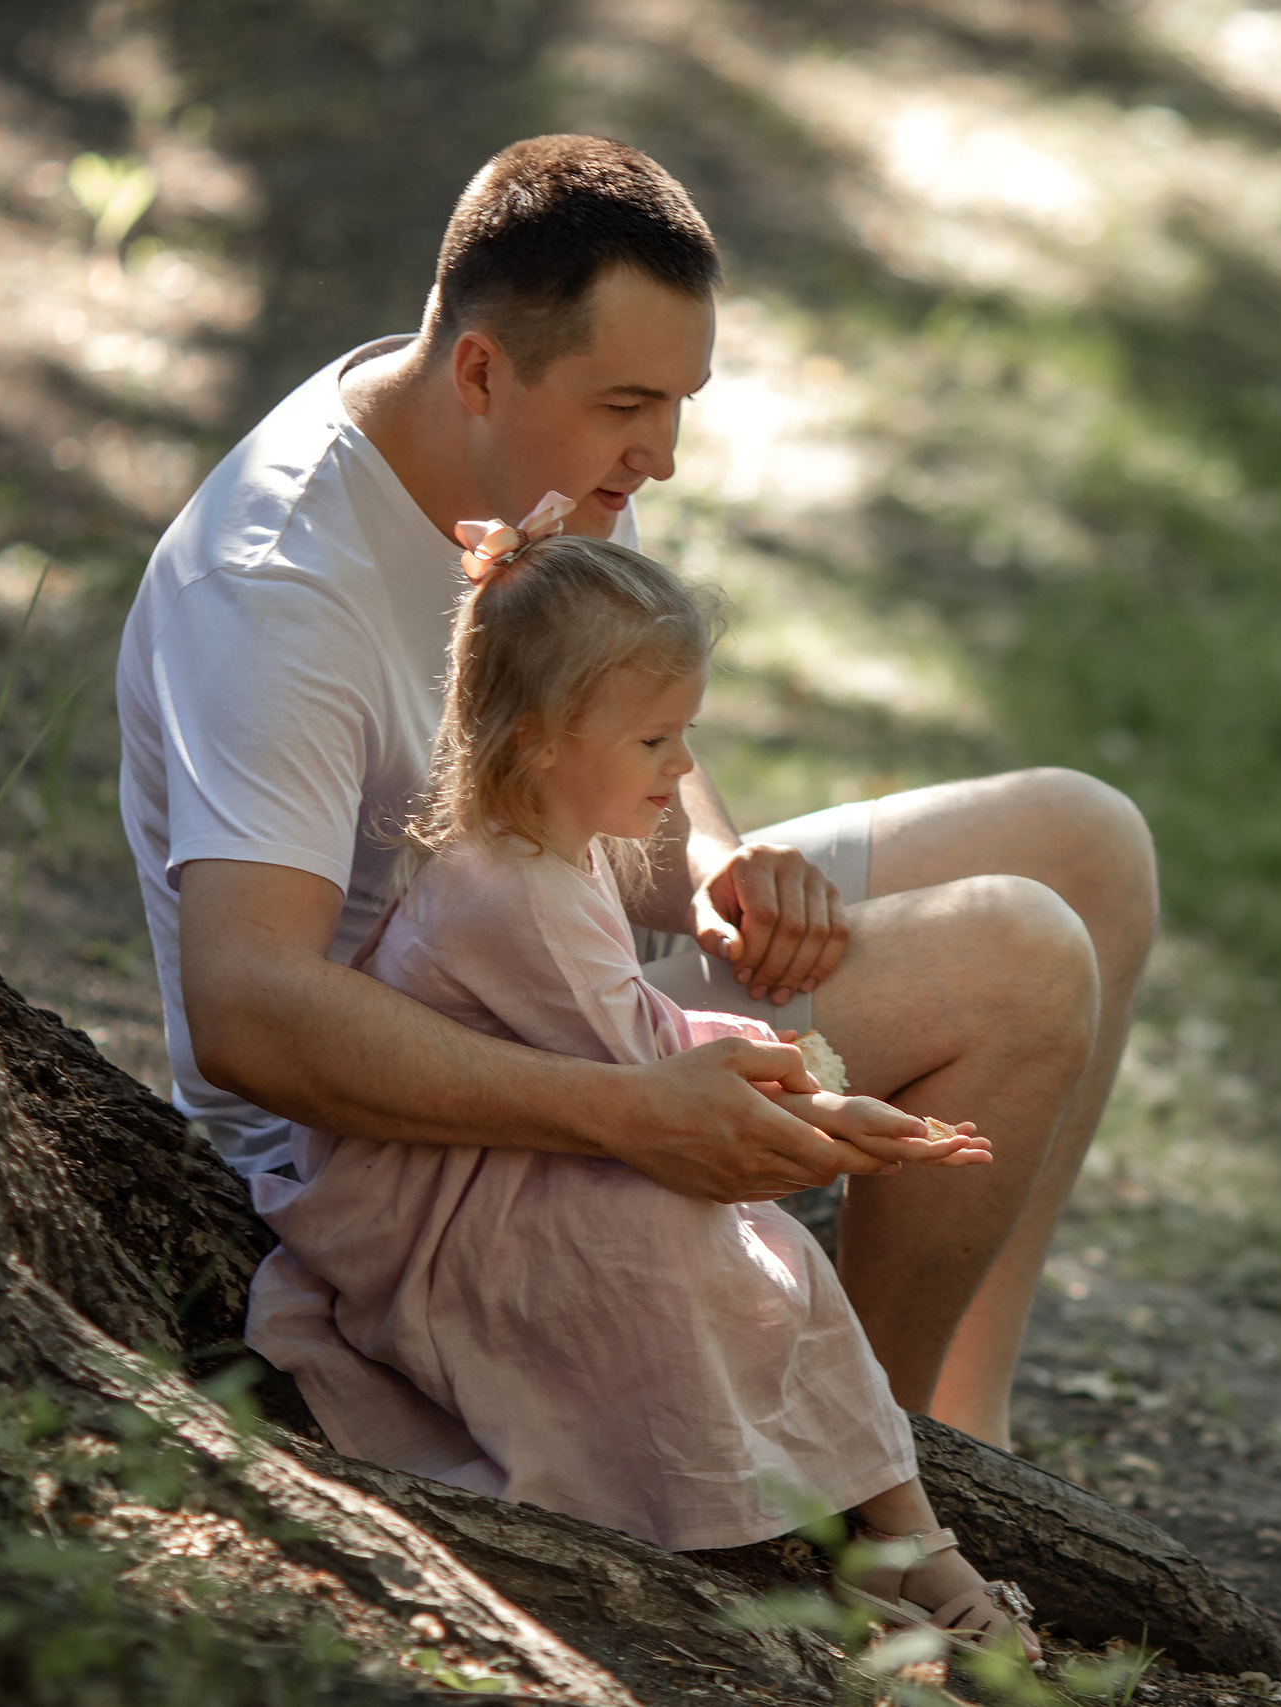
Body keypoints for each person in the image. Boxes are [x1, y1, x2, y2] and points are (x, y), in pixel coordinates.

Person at [114, 134, 1157, 1448]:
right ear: (484, 368)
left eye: (679, 403)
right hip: (394, 1137)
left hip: (564, 951)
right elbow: (249, 1011)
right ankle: (863, 1488)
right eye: (628, 406)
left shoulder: (516, 448)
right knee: (1019, 954)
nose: (658, 453)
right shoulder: (278, 591)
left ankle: (965, 1427)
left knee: (1086, 841)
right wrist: (631, 1112)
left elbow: (614, 731)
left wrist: (718, 865)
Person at [243, 523, 1037, 1658]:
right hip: (436, 1203)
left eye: (684, 734)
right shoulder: (514, 894)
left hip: (503, 1154)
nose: (681, 770)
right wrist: (838, 1118)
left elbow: (645, 1040)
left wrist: (813, 1097)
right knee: (703, 1257)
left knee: (754, 1252)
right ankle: (773, 1540)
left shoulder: (550, 850)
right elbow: (652, 1068)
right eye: (657, 739)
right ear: (541, 740)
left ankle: (893, 1534)